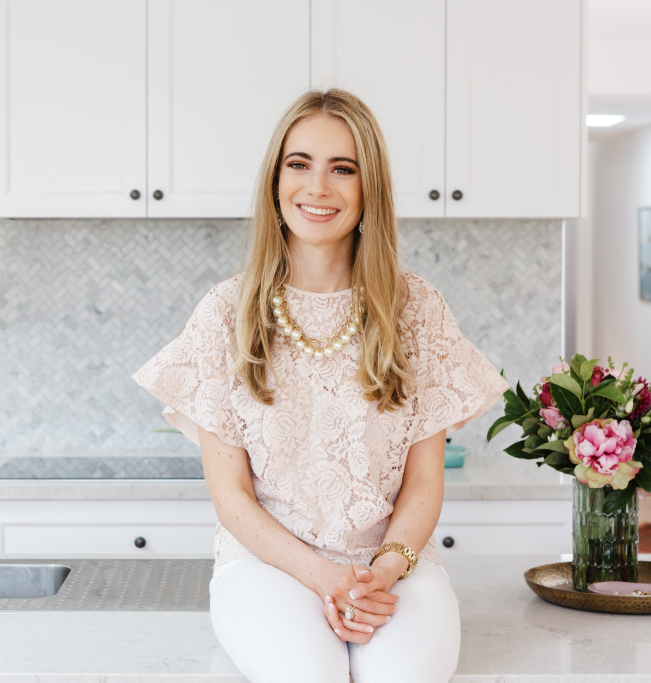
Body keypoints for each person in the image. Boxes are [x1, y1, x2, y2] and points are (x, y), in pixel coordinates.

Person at [133, 89, 507, 683]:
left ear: (369, 189)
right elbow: (231, 497)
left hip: (393, 564)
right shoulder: (224, 313)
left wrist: (382, 571)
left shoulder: (418, 310)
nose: (318, 187)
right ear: (275, 180)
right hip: (266, 565)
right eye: (299, 164)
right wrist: (324, 576)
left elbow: (424, 483)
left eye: (343, 168)